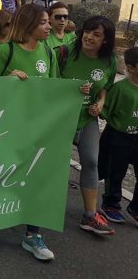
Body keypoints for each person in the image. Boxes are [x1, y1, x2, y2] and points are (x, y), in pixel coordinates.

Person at [0, 3, 74, 262]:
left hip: (37, 130)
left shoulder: (48, 52)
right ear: (28, 24)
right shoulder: (6, 51)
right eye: (44, 22)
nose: (50, 27)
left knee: (37, 177)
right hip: (5, 129)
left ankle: (33, 234)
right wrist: (7, 79)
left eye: (49, 22)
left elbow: (54, 88)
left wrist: (75, 93)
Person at [58, 17, 117, 234]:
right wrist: (70, 90)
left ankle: (90, 216)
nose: (89, 37)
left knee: (92, 161)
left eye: (97, 34)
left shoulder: (109, 60)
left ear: (105, 40)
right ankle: (39, 210)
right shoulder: (64, 52)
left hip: (87, 118)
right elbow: (48, 83)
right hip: (60, 119)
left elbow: (105, 87)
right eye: (88, 32)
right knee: (54, 164)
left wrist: (100, 103)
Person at [99, 47, 138, 225]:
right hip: (118, 136)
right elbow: (105, 112)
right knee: (115, 173)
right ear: (130, 67)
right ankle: (111, 204)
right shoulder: (120, 88)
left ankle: (135, 208)